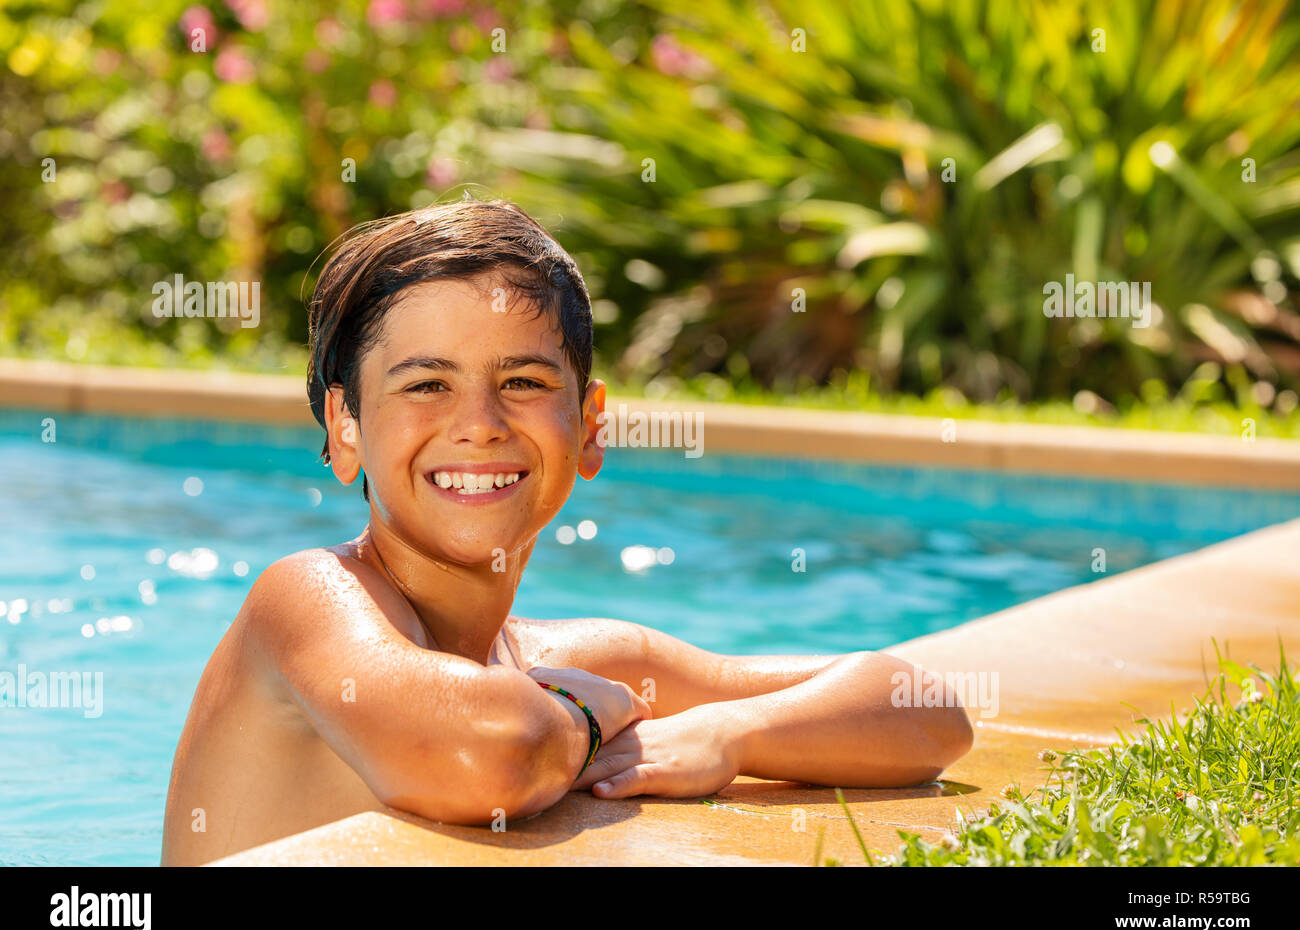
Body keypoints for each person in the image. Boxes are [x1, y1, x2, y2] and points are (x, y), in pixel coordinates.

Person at [161, 199, 972, 865]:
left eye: (522, 381)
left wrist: (728, 733)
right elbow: (487, 755)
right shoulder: (307, 601)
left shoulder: (579, 663)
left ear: (589, 427)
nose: (477, 426)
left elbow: (921, 709)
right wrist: (582, 721)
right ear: (345, 429)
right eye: (426, 385)